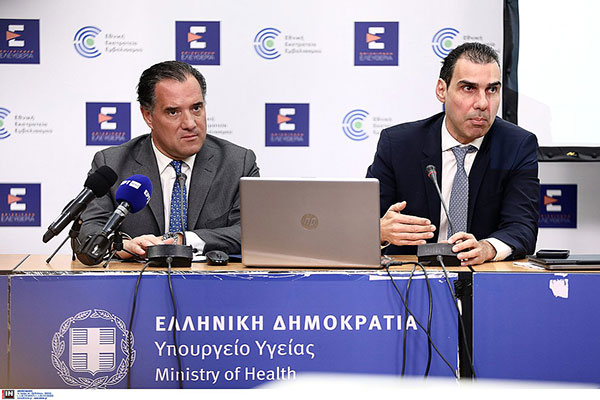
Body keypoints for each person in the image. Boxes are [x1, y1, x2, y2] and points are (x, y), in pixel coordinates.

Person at [366, 42, 539, 266]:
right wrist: (378, 231)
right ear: (442, 90)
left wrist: (487, 248)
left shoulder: (517, 145)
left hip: (480, 274)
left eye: (492, 90)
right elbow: (361, 223)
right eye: (468, 88)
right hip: (408, 275)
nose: (482, 103)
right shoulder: (398, 144)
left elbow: (522, 227)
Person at [76, 61, 259, 259]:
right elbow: (88, 232)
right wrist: (121, 246)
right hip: (138, 278)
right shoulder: (112, 164)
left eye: (196, 108)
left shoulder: (238, 163)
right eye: (173, 112)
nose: (190, 123)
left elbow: (253, 231)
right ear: (148, 116)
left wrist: (182, 240)